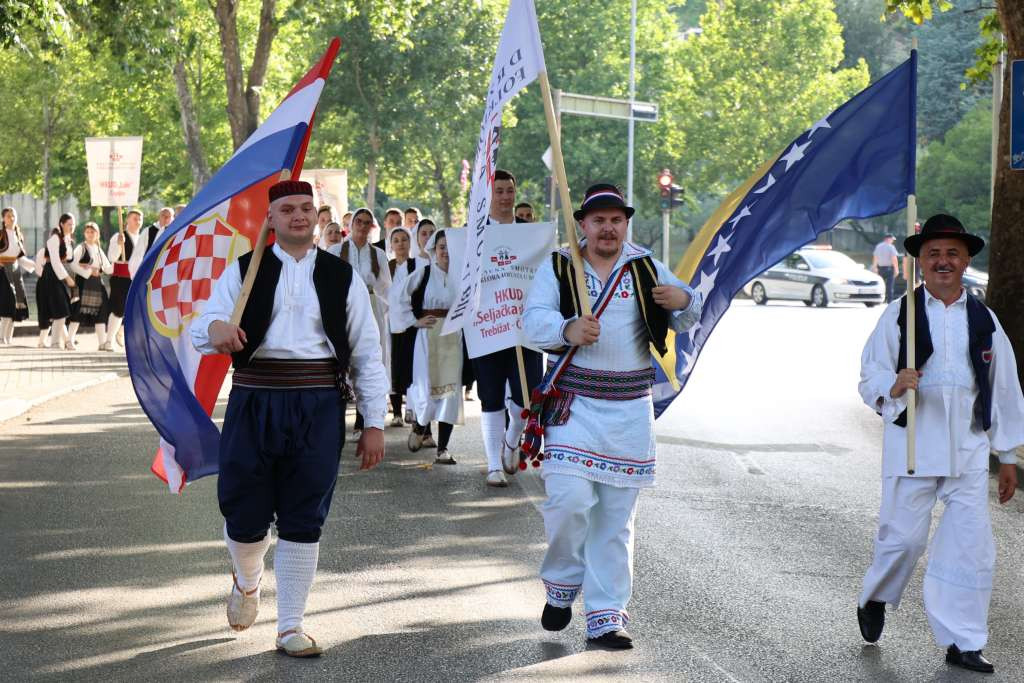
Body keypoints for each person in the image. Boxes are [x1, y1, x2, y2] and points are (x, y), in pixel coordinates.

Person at [191, 179, 388, 658]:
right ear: (271, 220)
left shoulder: (342, 277)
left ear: (318, 218)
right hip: (254, 400)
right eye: (288, 210)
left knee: (305, 515)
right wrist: (217, 329)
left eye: (306, 209)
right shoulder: (245, 270)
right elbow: (204, 326)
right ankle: (248, 581)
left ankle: (291, 626)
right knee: (243, 511)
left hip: (318, 403)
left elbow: (366, 351)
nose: (299, 216)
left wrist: (374, 420)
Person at [523, 183, 701, 649]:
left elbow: (687, 308)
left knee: (615, 521)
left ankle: (605, 616)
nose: (608, 228)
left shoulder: (644, 266)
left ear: (626, 223)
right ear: (582, 223)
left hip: (629, 412)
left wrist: (681, 302)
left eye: (616, 219)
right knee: (569, 505)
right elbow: (531, 320)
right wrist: (566, 328)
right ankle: (562, 585)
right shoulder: (561, 266)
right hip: (573, 407)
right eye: (598, 220)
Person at [856, 214, 1024, 674]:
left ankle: (962, 640)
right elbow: (869, 373)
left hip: (967, 452)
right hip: (913, 446)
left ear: (967, 259)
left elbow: (1004, 387)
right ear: (920, 262)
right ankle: (876, 595)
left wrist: (1007, 454)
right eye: (933, 254)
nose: (943, 262)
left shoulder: (983, 319)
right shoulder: (899, 315)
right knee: (903, 541)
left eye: (952, 253)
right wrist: (894, 384)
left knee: (970, 546)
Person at [473, 169, 535, 488]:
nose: (505, 196)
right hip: (488, 327)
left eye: (509, 190)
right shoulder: (476, 233)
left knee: (526, 399)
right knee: (491, 397)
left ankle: (512, 440)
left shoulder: (531, 232)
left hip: (524, 330)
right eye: (499, 191)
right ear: (489, 194)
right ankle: (494, 464)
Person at [395, 229, 464, 463]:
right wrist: (413, 321)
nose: (445, 251)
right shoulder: (424, 273)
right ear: (434, 250)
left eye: (449, 247)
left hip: (452, 336)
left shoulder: (462, 275)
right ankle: (420, 424)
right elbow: (398, 295)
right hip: (427, 335)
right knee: (425, 385)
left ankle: (443, 448)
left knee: (450, 392)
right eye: (441, 247)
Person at [327, 208, 392, 439]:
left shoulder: (379, 255)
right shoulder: (335, 251)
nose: (362, 226)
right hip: (343, 309)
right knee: (342, 359)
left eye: (367, 223)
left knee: (367, 359)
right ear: (351, 224)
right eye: (359, 222)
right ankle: (338, 416)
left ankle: (363, 420)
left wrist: (385, 315)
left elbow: (386, 288)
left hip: (370, 308)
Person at [387, 222, 428, 427]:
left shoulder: (417, 265)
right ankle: (398, 412)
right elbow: (386, 296)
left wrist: (414, 320)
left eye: (404, 239)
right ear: (391, 244)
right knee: (397, 369)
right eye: (396, 240)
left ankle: (419, 419)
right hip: (393, 326)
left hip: (414, 325)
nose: (400, 243)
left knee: (415, 371)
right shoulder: (387, 268)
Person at [67, 222, 113, 349]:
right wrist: (89, 271)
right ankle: (69, 341)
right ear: (84, 234)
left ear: (97, 234)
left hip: (97, 284)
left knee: (102, 312)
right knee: (77, 311)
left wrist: (119, 260)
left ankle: (102, 343)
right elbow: (73, 265)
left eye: (92, 232)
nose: (90, 234)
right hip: (83, 283)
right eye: (87, 232)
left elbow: (108, 267)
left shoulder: (98, 249)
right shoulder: (81, 248)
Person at [36, 213, 77, 350]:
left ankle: (66, 341)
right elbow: (55, 261)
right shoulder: (55, 238)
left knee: (62, 309)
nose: (72, 227)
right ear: (61, 224)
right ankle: (55, 343)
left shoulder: (68, 240)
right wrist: (67, 278)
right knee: (61, 309)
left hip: (60, 276)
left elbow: (69, 260)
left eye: (73, 224)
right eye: (69, 224)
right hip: (51, 276)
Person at [105, 209, 144, 351]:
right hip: (121, 278)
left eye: (140, 219)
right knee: (118, 310)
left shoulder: (142, 238)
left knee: (134, 310)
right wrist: (119, 246)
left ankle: (121, 333)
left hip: (136, 279)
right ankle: (108, 341)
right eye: (135, 218)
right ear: (127, 219)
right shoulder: (119, 236)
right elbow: (112, 257)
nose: (138, 221)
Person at [0, 207, 34, 344]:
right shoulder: (1, 234)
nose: (11, 218)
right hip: (2, 272)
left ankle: (8, 339)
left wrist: (36, 265)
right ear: (3, 219)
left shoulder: (18, 235)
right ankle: (1, 338)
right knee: (6, 305)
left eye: (13, 215)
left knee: (15, 306)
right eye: (8, 216)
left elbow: (20, 258)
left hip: (15, 272)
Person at [872, 233, 899, 303]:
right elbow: (894, 259)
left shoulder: (878, 246)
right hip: (889, 269)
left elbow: (875, 257)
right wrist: (896, 269)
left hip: (880, 268)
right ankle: (889, 301)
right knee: (889, 286)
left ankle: (880, 300)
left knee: (881, 285)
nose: (893, 241)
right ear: (888, 239)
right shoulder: (891, 247)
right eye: (892, 239)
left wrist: (874, 267)